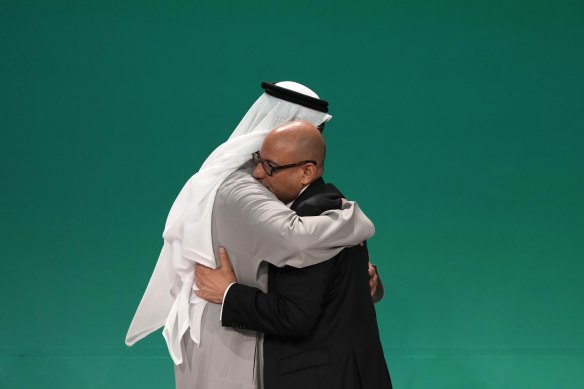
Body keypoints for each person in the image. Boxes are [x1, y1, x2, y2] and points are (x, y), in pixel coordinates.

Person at [125, 81, 376, 389]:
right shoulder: (240, 187)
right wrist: (354, 222)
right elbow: (294, 238)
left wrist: (359, 279)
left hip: (242, 334)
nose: (261, 171)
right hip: (227, 338)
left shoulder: (266, 186)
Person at [195, 121, 393, 388]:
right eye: (259, 160)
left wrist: (229, 293)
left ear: (306, 172)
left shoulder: (309, 215)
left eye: (270, 166)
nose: (257, 173)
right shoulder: (333, 201)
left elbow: (295, 316)